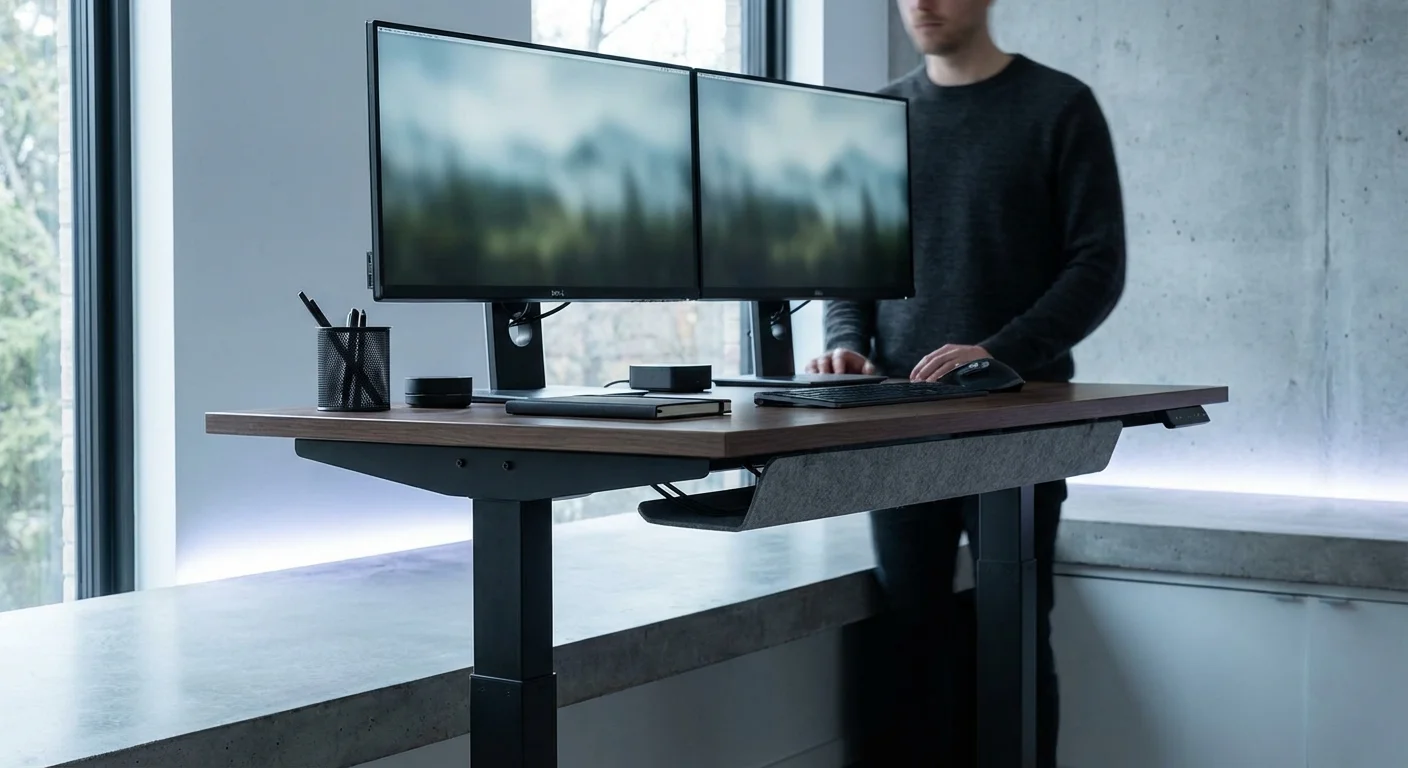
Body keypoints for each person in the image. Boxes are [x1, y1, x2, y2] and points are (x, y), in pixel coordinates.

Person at [806, 0, 1127, 764]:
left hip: (1020, 431)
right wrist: (847, 346)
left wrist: (999, 353)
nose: (921, 1)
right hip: (897, 429)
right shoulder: (875, 118)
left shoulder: (1058, 106)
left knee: (1011, 636)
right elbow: (847, 263)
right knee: (909, 644)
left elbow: (1097, 265)